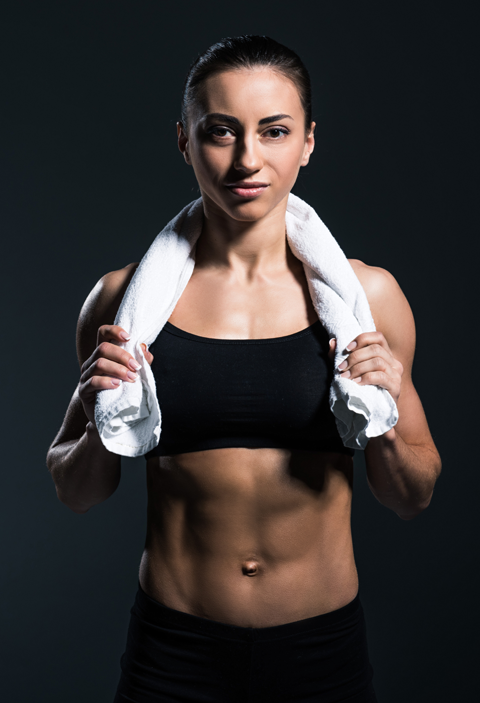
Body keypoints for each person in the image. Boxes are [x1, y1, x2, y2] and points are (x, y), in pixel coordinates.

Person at [47, 35, 441, 703]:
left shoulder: (367, 299)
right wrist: (95, 415)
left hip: (321, 653)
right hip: (174, 652)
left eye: (274, 131)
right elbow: (76, 490)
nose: (247, 159)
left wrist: (386, 406)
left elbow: (413, 495)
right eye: (221, 131)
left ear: (308, 142)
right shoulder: (122, 301)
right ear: (185, 141)